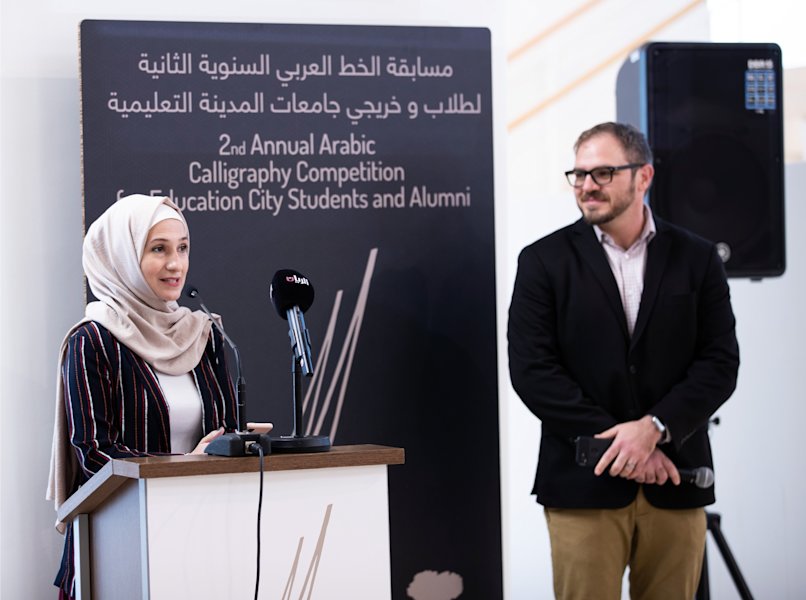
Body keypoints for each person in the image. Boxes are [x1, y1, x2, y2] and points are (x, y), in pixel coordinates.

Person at [507, 122, 740, 599]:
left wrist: (654, 428)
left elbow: (719, 362)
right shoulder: (542, 261)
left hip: (676, 480)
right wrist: (625, 446)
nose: (587, 185)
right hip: (582, 483)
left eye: (604, 172)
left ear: (644, 177)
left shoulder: (697, 259)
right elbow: (533, 370)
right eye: (578, 174)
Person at [46, 194, 239, 598]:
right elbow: (94, 454)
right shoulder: (93, 340)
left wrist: (238, 444)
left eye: (182, 248)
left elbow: (223, 432)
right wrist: (186, 464)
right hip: (119, 548)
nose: (176, 264)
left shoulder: (205, 336)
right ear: (122, 256)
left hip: (203, 543)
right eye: (158, 249)